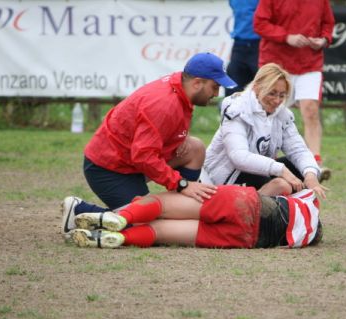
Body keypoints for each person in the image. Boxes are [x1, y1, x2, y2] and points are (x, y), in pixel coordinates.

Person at [61, 53, 236, 237]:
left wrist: (178, 136)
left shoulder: (181, 86)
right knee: (150, 226)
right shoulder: (164, 104)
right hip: (109, 169)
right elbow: (144, 156)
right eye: (215, 87)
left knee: (195, 148)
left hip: (130, 161)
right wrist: (182, 184)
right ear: (197, 83)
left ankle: (183, 207)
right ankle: (79, 210)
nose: (216, 94)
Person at [203, 63, 327, 199]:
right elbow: (239, 157)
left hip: (258, 172)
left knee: (300, 170)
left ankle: (292, 212)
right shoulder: (237, 110)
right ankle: (247, 209)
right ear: (256, 88)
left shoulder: (282, 115)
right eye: (272, 93)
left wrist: (310, 174)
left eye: (282, 95)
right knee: (281, 185)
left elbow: (298, 150)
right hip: (226, 179)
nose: (277, 100)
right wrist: (281, 170)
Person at [69, 185, 322, 249]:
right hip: (253, 238)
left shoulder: (310, 201)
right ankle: (115, 239)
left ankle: (122, 217)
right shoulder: (305, 237)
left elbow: (279, 183)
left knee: (163, 203)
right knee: (160, 233)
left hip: (251, 203)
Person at [253, 0, 335, 179]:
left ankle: (314, 164)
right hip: (276, 62)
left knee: (311, 110)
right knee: (271, 111)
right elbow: (259, 24)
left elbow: (328, 24)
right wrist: (286, 36)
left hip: (310, 63)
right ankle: (267, 162)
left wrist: (323, 39)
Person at [225, 0, 260, 97]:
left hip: (259, 45)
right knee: (232, 86)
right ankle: (232, 110)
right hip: (239, 44)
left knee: (263, 85)